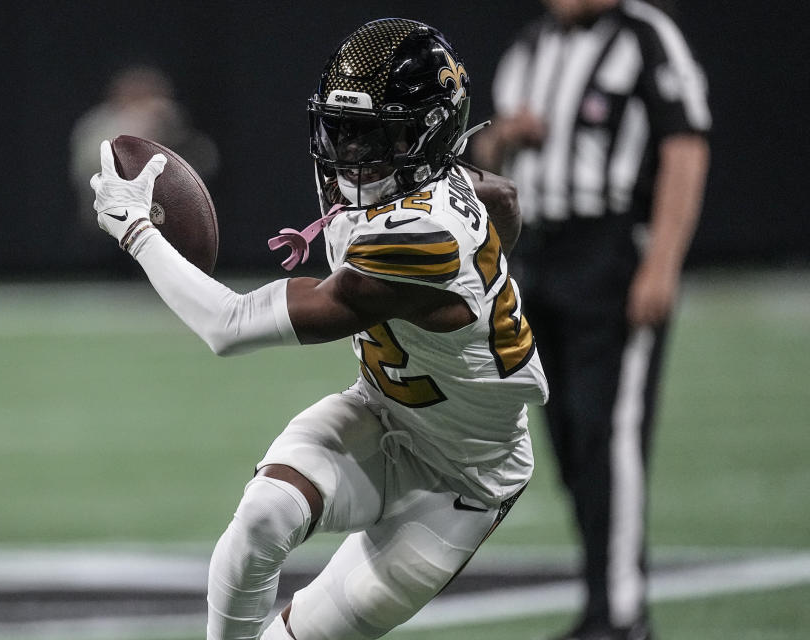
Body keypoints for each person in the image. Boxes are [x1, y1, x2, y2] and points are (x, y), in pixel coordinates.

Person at [89, 18, 548, 640]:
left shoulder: (422, 237)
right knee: (261, 518)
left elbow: (229, 325)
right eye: (341, 128)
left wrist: (137, 230)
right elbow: (505, 198)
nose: (348, 153)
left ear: (426, 136)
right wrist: (487, 286)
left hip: (463, 478)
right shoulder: (440, 183)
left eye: (371, 135)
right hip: (384, 411)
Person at [470, 1, 710, 638]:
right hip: (539, 258)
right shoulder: (528, 47)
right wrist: (505, 137)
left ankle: (622, 617)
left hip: (610, 254)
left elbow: (685, 146)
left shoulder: (645, 36)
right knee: (571, 439)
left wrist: (661, 263)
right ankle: (603, 604)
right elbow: (485, 156)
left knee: (611, 435)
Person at [70, 64, 219, 222]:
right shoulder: (97, 124)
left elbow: (203, 167)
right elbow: (89, 171)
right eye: (136, 94)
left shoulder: (171, 124)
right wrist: (136, 128)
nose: (145, 103)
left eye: (150, 94)